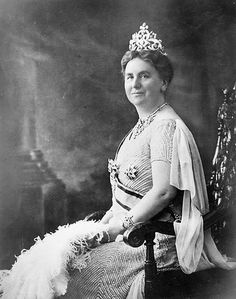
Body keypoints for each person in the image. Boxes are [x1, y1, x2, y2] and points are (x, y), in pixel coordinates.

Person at [1, 23, 235, 299]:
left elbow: (163, 192)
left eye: (144, 76)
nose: (135, 84)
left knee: (61, 278)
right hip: (129, 234)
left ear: (164, 82)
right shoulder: (143, 125)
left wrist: (116, 228)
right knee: (46, 261)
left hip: (154, 242)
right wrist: (101, 228)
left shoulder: (164, 126)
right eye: (129, 76)